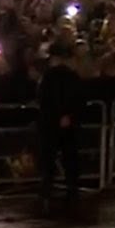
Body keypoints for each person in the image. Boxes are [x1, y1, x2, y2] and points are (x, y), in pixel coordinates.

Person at [37, 42, 85, 214]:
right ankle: (72, 194)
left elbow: (44, 100)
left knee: (49, 162)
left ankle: (47, 195)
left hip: (50, 124)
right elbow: (79, 99)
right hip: (68, 124)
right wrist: (69, 115)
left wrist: (58, 115)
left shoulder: (48, 77)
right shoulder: (73, 76)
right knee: (70, 160)